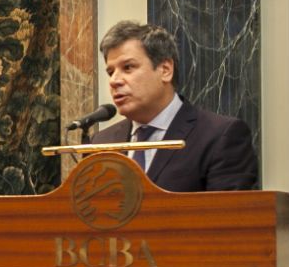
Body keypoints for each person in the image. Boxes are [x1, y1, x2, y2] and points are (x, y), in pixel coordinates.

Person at [91, 20, 259, 191]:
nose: (114, 81)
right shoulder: (101, 143)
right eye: (111, 72)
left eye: (128, 67)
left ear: (165, 70)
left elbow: (228, 215)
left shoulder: (220, 136)